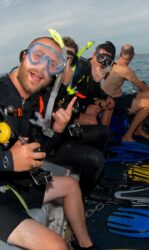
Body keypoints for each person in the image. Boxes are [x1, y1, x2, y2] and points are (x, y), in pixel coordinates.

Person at [0, 36, 97, 250]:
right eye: (38, 56)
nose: (42, 68)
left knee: (71, 186)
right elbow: (11, 159)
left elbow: (40, 151)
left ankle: (86, 245)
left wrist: (58, 131)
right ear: (24, 56)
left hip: (16, 183)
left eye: (52, 64)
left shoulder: (32, 103)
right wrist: (7, 160)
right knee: (56, 245)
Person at [47, 37, 111, 197]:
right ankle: (85, 193)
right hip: (49, 145)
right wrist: (62, 84)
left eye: (71, 58)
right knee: (94, 157)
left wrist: (97, 83)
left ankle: (94, 177)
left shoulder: (71, 77)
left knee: (104, 132)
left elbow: (78, 97)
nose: (66, 62)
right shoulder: (44, 80)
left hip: (64, 134)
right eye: (63, 56)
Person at [101, 43, 149, 142]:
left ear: (120, 53)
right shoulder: (125, 69)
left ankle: (138, 129)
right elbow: (142, 87)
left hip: (110, 98)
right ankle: (128, 135)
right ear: (133, 55)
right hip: (114, 102)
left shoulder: (114, 63)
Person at [72, 41, 116, 126]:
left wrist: (106, 97)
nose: (102, 62)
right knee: (92, 121)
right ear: (93, 55)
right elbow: (65, 94)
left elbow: (96, 89)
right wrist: (84, 109)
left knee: (109, 104)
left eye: (108, 61)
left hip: (84, 102)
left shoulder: (94, 70)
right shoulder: (81, 68)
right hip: (71, 107)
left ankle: (104, 130)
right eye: (101, 57)